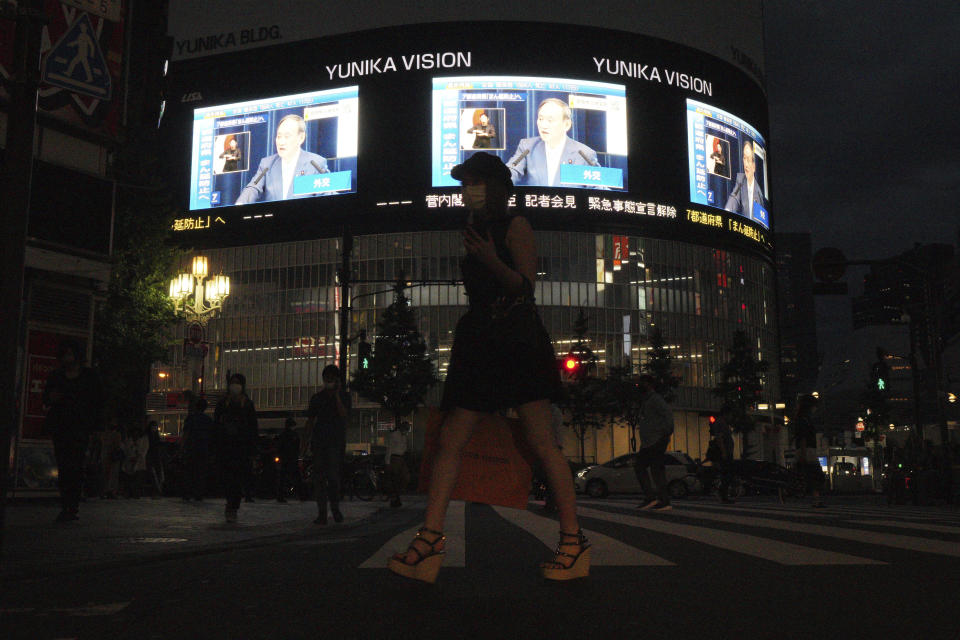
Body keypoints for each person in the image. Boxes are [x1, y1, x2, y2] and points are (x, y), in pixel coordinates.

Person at [388, 151, 587, 584]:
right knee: (451, 438)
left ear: (495, 188)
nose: (466, 191)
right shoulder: (475, 228)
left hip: (515, 339)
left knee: (540, 441)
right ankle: (431, 538)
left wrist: (491, 259)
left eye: (474, 183)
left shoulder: (516, 226)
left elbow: (525, 286)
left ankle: (573, 541)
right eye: (464, 183)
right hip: (480, 338)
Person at [42, 339, 103, 522]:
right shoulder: (57, 376)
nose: (68, 358)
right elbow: (46, 398)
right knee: (64, 466)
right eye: (65, 354)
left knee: (75, 466)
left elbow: (97, 402)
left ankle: (72, 505)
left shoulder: (89, 377)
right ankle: (66, 504)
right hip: (61, 426)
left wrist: (94, 427)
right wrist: (52, 398)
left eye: (71, 354)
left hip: (80, 427)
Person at [235, 114, 328, 204]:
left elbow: (329, 193)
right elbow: (253, 187)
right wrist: (240, 204)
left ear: (301, 138)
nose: (281, 142)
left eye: (287, 137)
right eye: (279, 137)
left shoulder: (315, 163)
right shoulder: (267, 164)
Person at [506, 98, 599, 187]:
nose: (543, 125)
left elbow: (599, 187)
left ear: (566, 124)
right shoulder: (527, 147)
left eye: (550, 120)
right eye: (541, 119)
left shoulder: (584, 154)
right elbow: (511, 171)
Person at [305, 365, 350, 525]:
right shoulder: (317, 398)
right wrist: (306, 442)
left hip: (335, 443)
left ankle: (335, 508)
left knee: (333, 478)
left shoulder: (344, 396)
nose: (328, 381)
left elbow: (344, 415)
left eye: (332, 378)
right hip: (320, 442)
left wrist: (337, 396)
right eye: (326, 378)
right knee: (319, 478)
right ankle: (322, 512)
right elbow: (310, 420)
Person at [215, 373, 259, 522]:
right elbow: (216, 424)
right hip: (225, 446)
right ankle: (230, 503)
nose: (234, 386)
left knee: (238, 478)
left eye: (237, 383)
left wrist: (253, 450)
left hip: (241, 448)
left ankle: (233, 506)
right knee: (226, 478)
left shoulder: (247, 403)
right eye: (232, 382)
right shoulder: (223, 403)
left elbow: (253, 428)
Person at [633, 375, 675, 511]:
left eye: (641, 383)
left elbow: (668, 415)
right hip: (650, 441)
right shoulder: (648, 400)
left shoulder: (655, 400)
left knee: (650, 468)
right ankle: (656, 498)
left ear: (649, 384)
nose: (639, 386)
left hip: (655, 440)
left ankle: (659, 499)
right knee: (650, 468)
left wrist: (665, 433)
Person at [793, 394, 825, 508]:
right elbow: (803, 437)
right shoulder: (804, 420)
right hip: (807, 450)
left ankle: (815, 499)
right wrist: (803, 453)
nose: (815, 409)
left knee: (810, 475)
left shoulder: (802, 419)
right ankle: (816, 499)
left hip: (805, 449)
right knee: (816, 475)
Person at [182, 396, 214, 501]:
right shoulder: (208, 420)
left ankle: (187, 492)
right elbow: (211, 436)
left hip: (191, 448)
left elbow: (186, 434)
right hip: (203, 449)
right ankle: (198, 493)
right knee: (200, 472)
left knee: (189, 471)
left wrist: (183, 446)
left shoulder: (191, 418)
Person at [724, 140, 766, 216]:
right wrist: (727, 211)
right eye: (744, 158)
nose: (746, 164)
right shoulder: (740, 179)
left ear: (754, 166)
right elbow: (734, 197)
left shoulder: (759, 194)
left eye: (749, 160)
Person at [708, 405, 736, 504]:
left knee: (726, 474)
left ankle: (723, 494)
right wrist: (724, 452)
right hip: (724, 453)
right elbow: (719, 438)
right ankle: (723, 494)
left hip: (726, 452)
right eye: (730, 414)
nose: (731, 417)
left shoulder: (722, 423)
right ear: (726, 414)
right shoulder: (721, 423)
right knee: (727, 474)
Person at [385, 421, 410, 508]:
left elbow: (404, 447)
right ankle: (395, 498)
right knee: (395, 479)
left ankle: (396, 497)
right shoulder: (395, 435)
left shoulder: (404, 436)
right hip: (395, 458)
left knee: (403, 478)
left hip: (401, 458)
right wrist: (388, 462)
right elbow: (389, 448)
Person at [276, 417, 301, 503]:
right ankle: (301, 494)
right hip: (291, 458)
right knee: (296, 477)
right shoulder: (293, 435)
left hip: (285, 458)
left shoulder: (284, 435)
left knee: (283, 478)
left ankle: (281, 496)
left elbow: (279, 447)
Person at [122, 425, 150, 498]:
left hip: (139, 460)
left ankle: (136, 493)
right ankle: (129, 492)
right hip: (130, 460)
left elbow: (144, 450)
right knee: (129, 477)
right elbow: (126, 449)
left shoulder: (144, 439)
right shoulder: (128, 439)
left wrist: (138, 455)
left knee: (138, 478)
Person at [99, 416, 123, 499]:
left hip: (112, 456)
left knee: (112, 474)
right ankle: (107, 491)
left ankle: (110, 491)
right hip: (108, 455)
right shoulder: (106, 434)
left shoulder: (115, 434)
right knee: (108, 474)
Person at [146, 420, 165, 497]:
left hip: (155, 456)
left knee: (157, 474)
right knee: (155, 474)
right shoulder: (150, 437)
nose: (154, 428)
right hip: (152, 456)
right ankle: (157, 491)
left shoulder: (154, 437)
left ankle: (157, 491)